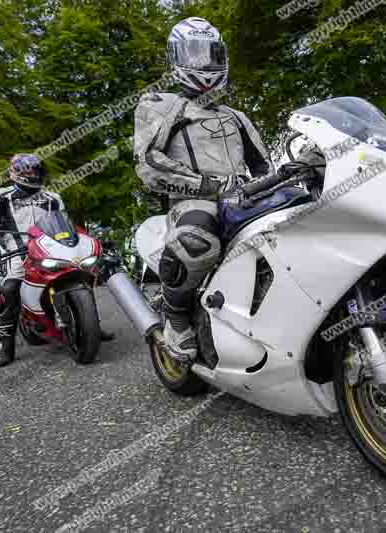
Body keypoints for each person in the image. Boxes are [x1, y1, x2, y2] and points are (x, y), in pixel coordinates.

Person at [134, 16, 274, 362]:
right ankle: (177, 316)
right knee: (197, 241)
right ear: (176, 58)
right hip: (191, 201)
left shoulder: (236, 115)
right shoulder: (160, 104)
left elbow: (264, 165)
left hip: (243, 200)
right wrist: (204, 184)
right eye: (194, 53)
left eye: (210, 53)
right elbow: (148, 162)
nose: (204, 62)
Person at [0, 154, 114, 367]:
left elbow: (66, 223)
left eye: (35, 171)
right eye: (27, 171)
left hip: (49, 244)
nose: (32, 175)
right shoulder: (0, 195)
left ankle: (91, 324)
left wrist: (81, 242)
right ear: (15, 172)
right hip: (16, 248)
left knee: (79, 274)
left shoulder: (53, 197)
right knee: (10, 288)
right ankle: (5, 345)